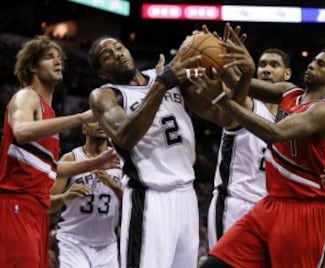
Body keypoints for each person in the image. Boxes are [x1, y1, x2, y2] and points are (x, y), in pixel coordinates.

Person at [86, 26, 249, 268]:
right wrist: (163, 83)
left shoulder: (170, 78)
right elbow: (125, 135)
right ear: (101, 73)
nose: (118, 53)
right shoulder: (106, 95)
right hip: (150, 198)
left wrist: (241, 75)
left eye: (118, 47)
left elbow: (225, 118)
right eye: (107, 55)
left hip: (186, 196)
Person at [195, 32, 325, 267]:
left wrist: (222, 101)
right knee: (215, 263)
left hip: (305, 212)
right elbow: (241, 84)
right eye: (313, 60)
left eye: (321, 64)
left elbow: (273, 133)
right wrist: (229, 59)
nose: (312, 65)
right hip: (270, 205)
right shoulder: (289, 92)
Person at [0, 35, 119, 268]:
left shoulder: (49, 114)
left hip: (37, 209)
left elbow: (51, 168)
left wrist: (95, 163)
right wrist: (81, 117)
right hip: (16, 204)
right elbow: (22, 130)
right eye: (49, 57)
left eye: (60, 58)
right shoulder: (27, 96)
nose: (58, 62)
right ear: (32, 66)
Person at [207, 48, 292, 248]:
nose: (266, 70)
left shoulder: (291, 120)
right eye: (262, 65)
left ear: (287, 74)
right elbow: (236, 96)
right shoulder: (247, 105)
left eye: (274, 65)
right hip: (235, 205)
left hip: (270, 210)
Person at [50, 122, 123, 268]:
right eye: (95, 120)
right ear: (84, 128)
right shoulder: (71, 159)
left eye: (105, 120)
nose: (101, 124)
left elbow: (133, 203)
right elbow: (46, 204)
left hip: (107, 244)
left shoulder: (120, 160)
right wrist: (65, 197)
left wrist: (113, 185)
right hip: (73, 241)